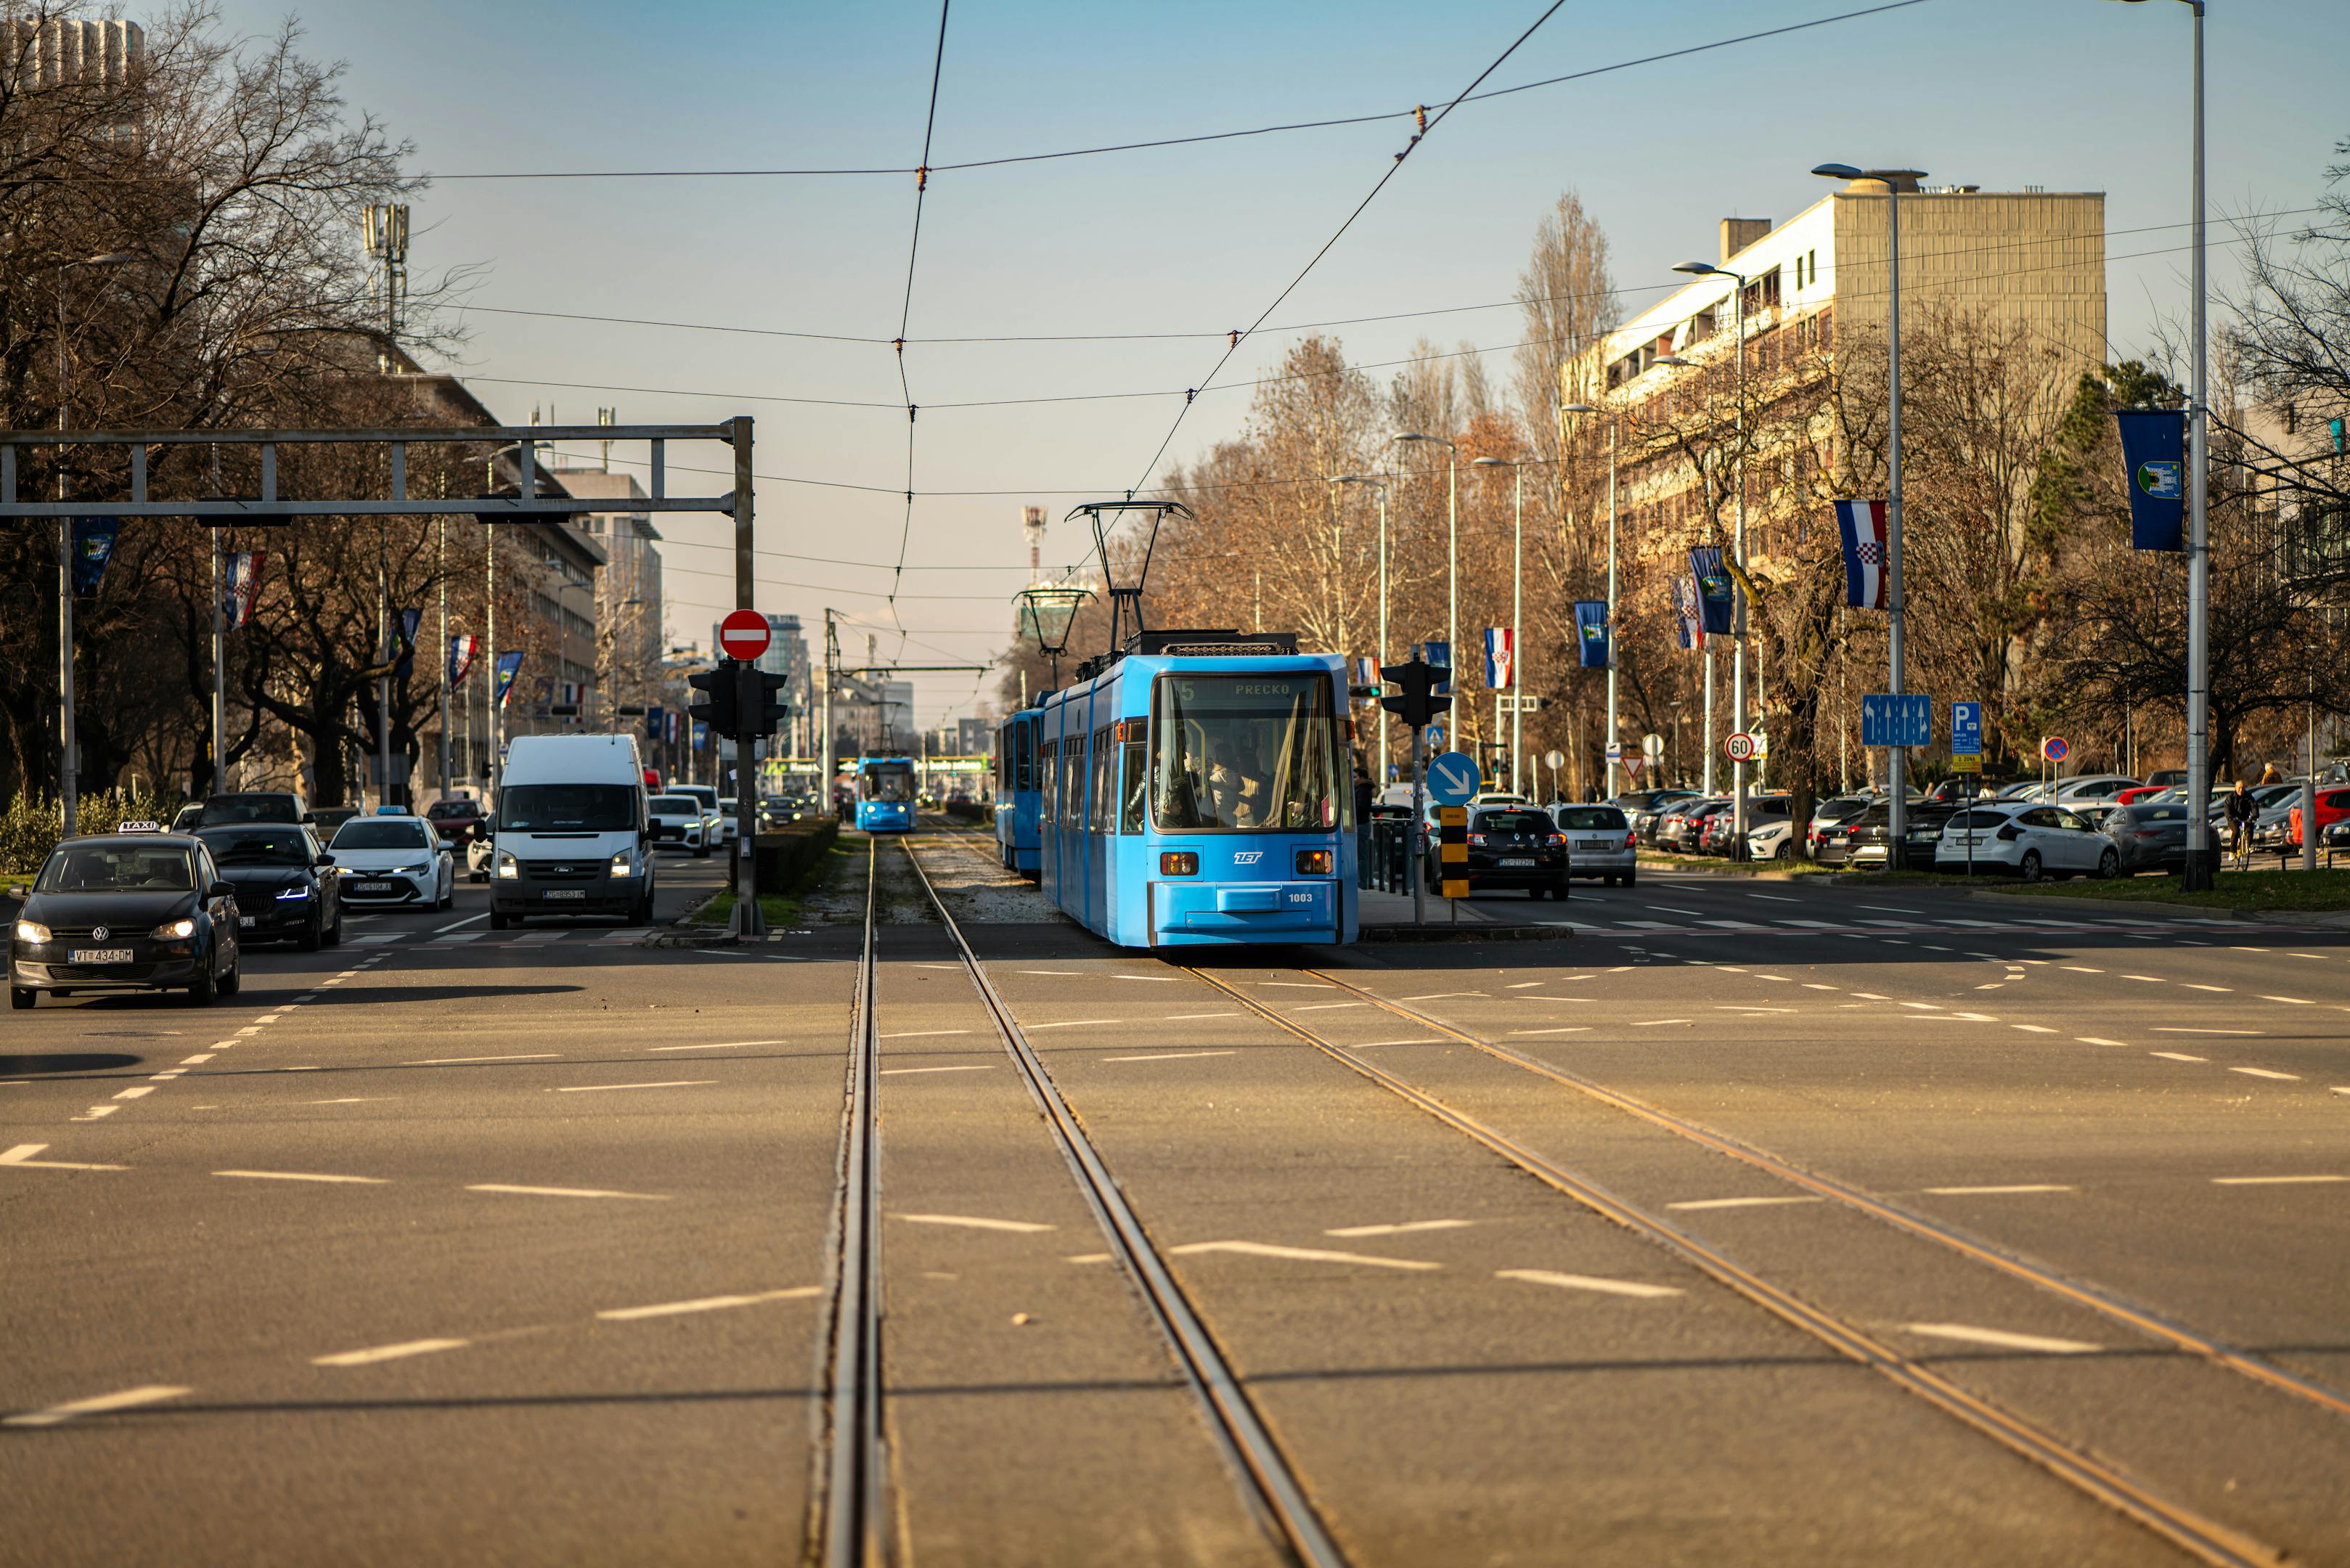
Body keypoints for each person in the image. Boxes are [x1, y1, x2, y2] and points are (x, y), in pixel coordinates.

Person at [2224, 778, 2258, 865]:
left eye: (2243, 788)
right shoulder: (2231, 797)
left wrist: (2255, 815)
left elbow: (2253, 805)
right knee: (2236, 831)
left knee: (2250, 827)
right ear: (2235, 788)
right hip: (2234, 818)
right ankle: (2232, 852)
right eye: (2239, 788)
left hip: (2245, 817)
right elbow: (2227, 808)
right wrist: (2229, 817)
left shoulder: (2248, 796)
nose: (2241, 790)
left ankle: (2248, 845)